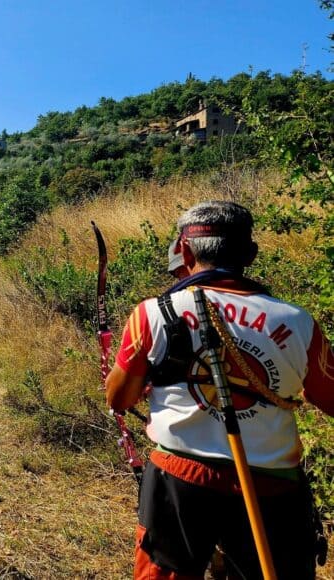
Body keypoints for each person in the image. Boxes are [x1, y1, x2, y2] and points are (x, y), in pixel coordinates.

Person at [106, 200, 334, 579]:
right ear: (250, 253)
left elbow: (119, 398)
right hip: (272, 483)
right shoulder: (298, 322)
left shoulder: (153, 313)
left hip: (180, 477)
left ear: (184, 250)